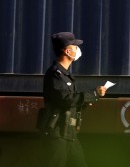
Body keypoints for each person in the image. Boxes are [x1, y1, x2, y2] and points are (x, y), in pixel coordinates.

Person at [37, 32, 106, 167]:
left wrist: (86, 101)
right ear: (68, 51)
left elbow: (70, 103)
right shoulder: (55, 74)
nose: (77, 50)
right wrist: (93, 93)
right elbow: (66, 100)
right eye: (75, 46)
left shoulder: (66, 75)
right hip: (57, 135)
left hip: (69, 134)